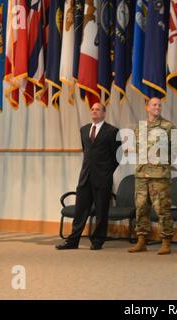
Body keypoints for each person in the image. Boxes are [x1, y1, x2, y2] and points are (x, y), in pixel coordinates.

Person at [56, 103, 121, 250]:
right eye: (92, 109)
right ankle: (73, 241)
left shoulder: (112, 131)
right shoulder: (84, 130)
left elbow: (118, 156)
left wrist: (106, 171)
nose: (94, 111)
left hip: (102, 178)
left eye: (98, 109)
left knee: (101, 211)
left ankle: (97, 241)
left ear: (104, 114)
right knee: (80, 210)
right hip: (85, 177)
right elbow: (86, 151)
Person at [128, 97, 177, 255]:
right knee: (141, 207)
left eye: (159, 105)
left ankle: (166, 241)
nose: (157, 107)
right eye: (154, 105)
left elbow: (176, 149)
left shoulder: (168, 126)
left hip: (159, 175)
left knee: (162, 209)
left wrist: (161, 161)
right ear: (147, 107)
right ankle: (142, 240)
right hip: (142, 174)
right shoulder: (140, 128)